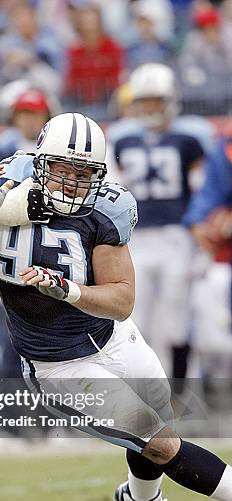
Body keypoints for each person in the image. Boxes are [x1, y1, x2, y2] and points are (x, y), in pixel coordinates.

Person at [0, 112, 232, 501]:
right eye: (62, 168)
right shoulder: (6, 196)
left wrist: (70, 291)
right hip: (58, 364)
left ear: (99, 175)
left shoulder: (105, 208)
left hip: (114, 337)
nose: (71, 181)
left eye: (84, 173)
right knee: (160, 442)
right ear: (41, 163)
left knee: (162, 424)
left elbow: (121, 301)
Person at [108, 62, 214, 378]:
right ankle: (145, 392)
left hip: (176, 235)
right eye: (144, 100)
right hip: (136, 237)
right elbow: (113, 190)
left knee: (175, 316)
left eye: (156, 99)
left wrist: (200, 236)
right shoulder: (122, 138)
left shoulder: (190, 137)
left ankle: (181, 388)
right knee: (135, 316)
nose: (150, 107)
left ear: (170, 99)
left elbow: (201, 190)